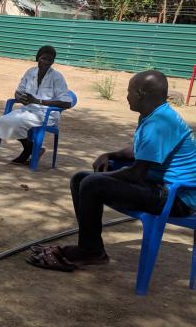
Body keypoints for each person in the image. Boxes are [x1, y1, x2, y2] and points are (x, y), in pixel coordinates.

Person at [28, 70, 196, 272]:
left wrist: (102, 176)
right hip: (159, 188)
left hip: (176, 198)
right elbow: (139, 150)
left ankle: (90, 252)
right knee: (80, 179)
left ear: (142, 93)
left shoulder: (160, 123)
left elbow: (136, 174)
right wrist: (111, 154)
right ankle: (91, 247)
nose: (127, 96)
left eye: (129, 91)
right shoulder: (154, 115)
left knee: (92, 183)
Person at [0, 45, 72, 164]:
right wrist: (20, 97)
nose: (46, 62)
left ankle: (27, 152)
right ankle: (31, 149)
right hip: (28, 110)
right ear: (38, 58)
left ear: (53, 62)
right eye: (43, 58)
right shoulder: (30, 72)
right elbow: (18, 91)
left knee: (16, 122)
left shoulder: (57, 77)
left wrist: (39, 101)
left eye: (50, 60)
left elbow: (67, 103)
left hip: (47, 114)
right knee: (3, 121)